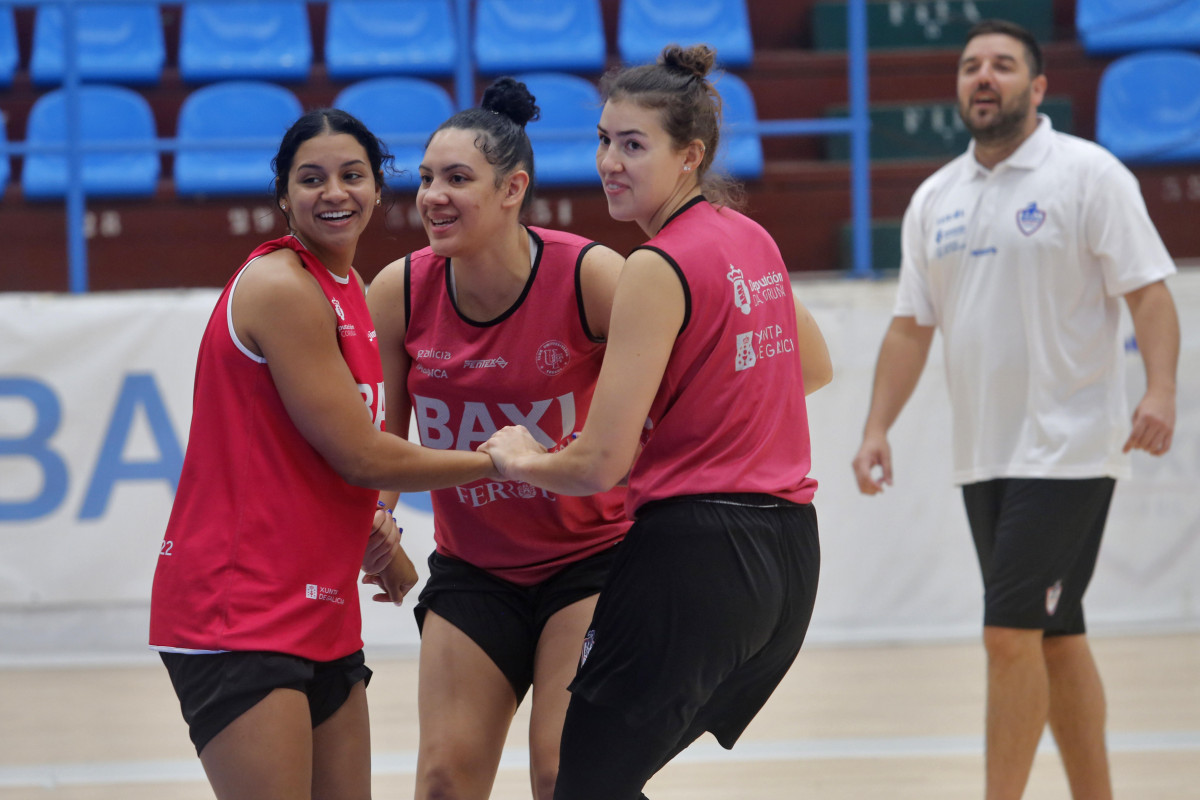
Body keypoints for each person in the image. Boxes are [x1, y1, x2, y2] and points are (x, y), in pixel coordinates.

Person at [481, 45, 832, 799]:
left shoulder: (655, 265)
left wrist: (518, 457)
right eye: (605, 140)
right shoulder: (751, 238)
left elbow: (596, 465)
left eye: (633, 145)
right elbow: (813, 367)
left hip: (696, 558)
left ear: (689, 156)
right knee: (604, 781)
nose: (610, 160)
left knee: (586, 785)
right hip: (789, 559)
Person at [850, 19, 1180, 800]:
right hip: (986, 453)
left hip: (1069, 448)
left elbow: (1150, 293)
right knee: (1055, 638)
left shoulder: (1090, 175)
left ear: (1037, 87)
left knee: (1008, 634)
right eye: (970, 67)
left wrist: (1160, 390)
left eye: (1002, 65)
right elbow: (908, 326)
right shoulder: (936, 197)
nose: (983, 77)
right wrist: (875, 428)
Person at [149, 108, 496, 800]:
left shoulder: (353, 290)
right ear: (283, 196)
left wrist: (379, 535)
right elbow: (364, 456)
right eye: (311, 179)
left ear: (376, 188)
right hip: (237, 605)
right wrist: (502, 462)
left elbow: (320, 459)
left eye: (351, 175)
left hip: (321, 603)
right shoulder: (281, 287)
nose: (333, 192)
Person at [366, 78, 630, 800]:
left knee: (560, 773)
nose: (432, 196)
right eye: (424, 179)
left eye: (457, 179)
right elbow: (381, 440)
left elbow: (680, 377)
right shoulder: (401, 289)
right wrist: (376, 517)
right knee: (444, 781)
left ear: (513, 189)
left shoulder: (590, 276)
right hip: (475, 570)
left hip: (592, 563)